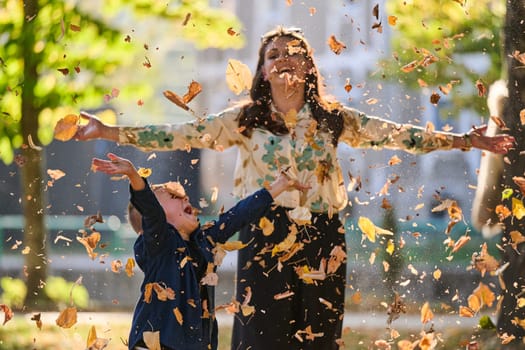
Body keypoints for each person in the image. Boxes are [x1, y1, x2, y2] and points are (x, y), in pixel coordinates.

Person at [74, 26, 515, 349]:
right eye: (273, 55)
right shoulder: (243, 120)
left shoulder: (332, 118)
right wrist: (110, 132)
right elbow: (182, 133)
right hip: (264, 235)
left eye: (294, 52)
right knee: (260, 339)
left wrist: (463, 140)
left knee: (319, 338)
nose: (284, 58)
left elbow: (395, 134)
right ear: (263, 72)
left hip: (324, 238)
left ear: (308, 67)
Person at [91, 152, 309, 350]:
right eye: (174, 197)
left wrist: (280, 184)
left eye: (184, 196)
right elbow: (151, 210)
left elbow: (238, 216)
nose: (185, 198)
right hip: (156, 342)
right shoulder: (158, 245)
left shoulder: (204, 240)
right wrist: (134, 176)